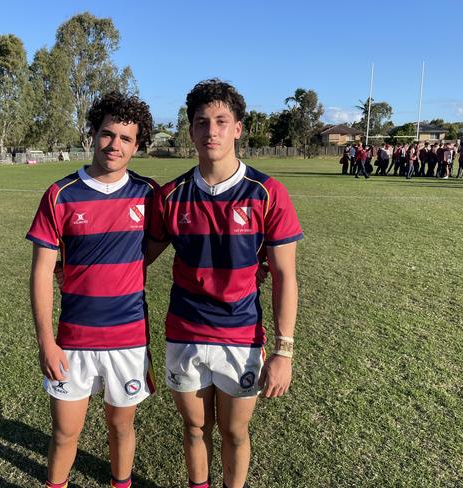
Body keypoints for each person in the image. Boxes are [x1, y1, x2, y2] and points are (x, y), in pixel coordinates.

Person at [147, 79, 302, 488]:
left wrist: (284, 351)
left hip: (240, 334)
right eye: (201, 122)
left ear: (237, 128)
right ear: (191, 130)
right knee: (195, 429)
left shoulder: (267, 193)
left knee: (235, 432)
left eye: (221, 121)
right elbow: (138, 259)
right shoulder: (171, 196)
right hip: (185, 332)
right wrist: (72, 267)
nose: (210, 131)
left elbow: (285, 276)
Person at [27, 92, 155, 488]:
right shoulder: (61, 194)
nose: (114, 145)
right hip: (73, 340)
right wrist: (46, 341)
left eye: (126, 138)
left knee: (121, 427)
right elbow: (41, 273)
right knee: (65, 432)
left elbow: (166, 242)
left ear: (137, 146)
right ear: (93, 134)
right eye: (107, 134)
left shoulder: (149, 194)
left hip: (128, 338)